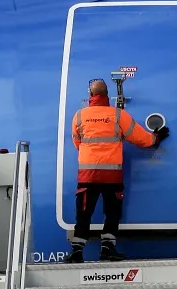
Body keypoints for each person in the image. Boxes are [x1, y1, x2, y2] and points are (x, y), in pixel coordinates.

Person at [69, 77, 168, 262]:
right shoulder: (118, 115)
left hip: (87, 175)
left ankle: (77, 252)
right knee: (112, 213)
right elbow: (141, 139)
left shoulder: (79, 116)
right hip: (112, 175)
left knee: (83, 213)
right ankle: (107, 249)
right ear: (108, 94)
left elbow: (77, 143)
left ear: (90, 94)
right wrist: (157, 137)